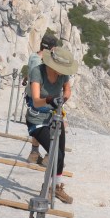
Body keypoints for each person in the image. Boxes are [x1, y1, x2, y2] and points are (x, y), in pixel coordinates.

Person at [25, 42, 79, 204]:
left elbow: (67, 90)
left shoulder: (62, 75)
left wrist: (64, 98)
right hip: (37, 119)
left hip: (55, 117)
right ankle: (47, 187)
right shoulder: (37, 72)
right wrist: (50, 99)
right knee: (55, 154)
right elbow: (35, 101)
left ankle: (56, 187)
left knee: (61, 155)